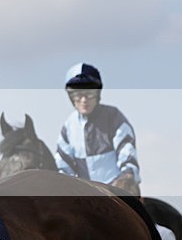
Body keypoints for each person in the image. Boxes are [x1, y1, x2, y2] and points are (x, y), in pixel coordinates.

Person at [54, 63, 141, 195]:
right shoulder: (68, 127)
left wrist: (127, 175)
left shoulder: (114, 117)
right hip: (85, 194)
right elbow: (63, 166)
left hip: (116, 190)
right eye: (78, 94)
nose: (84, 100)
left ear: (98, 94)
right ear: (71, 97)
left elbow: (127, 152)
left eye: (89, 93)